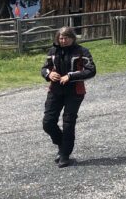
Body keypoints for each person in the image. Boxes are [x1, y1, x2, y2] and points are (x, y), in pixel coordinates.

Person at [41, 26, 96, 168]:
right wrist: (48, 74)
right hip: (55, 90)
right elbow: (45, 68)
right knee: (48, 122)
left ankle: (65, 154)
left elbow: (91, 70)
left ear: (72, 38)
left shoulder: (82, 51)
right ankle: (61, 144)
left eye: (66, 38)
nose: (63, 40)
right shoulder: (53, 51)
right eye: (60, 38)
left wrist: (70, 76)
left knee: (68, 123)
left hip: (74, 92)